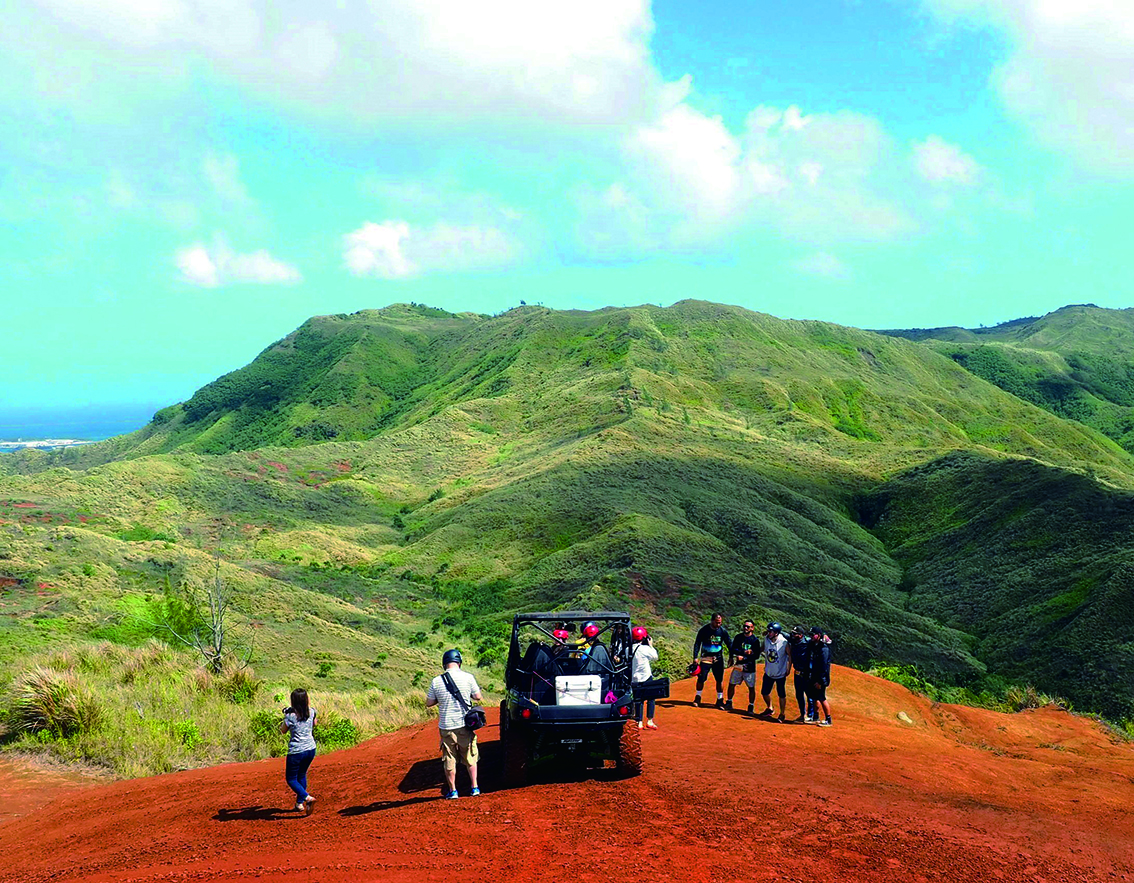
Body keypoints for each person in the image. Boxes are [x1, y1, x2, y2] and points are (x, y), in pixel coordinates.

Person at [425, 648, 484, 798]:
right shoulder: (468, 677)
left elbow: (429, 703)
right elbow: (478, 696)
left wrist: (441, 698)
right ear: (459, 662)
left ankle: (453, 791)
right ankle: (474, 788)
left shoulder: (436, 681)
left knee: (449, 759)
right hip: (465, 724)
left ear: (444, 663)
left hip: (446, 726)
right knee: (470, 756)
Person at [278, 688, 317, 815]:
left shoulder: (290, 716)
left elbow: (283, 731)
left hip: (296, 751)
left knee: (291, 779)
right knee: (302, 774)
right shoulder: (311, 712)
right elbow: (314, 724)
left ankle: (307, 798)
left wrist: (285, 715)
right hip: (310, 748)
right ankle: (299, 804)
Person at [692, 613, 731, 708]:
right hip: (706, 657)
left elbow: (729, 644)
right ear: (712, 621)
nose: (719, 624)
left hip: (718, 658)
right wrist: (695, 657)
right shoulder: (704, 630)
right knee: (701, 678)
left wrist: (731, 656)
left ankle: (720, 700)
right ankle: (698, 697)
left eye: (720, 623)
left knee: (719, 679)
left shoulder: (722, 631)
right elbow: (697, 643)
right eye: (717, 622)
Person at [758, 623, 791, 722]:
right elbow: (762, 649)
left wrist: (788, 668)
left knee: (781, 694)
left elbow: (789, 655)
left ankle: (782, 714)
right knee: (764, 692)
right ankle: (770, 708)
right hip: (769, 672)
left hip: (780, 673)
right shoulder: (766, 640)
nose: (769, 633)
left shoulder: (784, 642)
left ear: (776, 633)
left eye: (770, 631)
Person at [725, 620, 760, 714]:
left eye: (748, 627)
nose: (745, 628)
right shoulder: (738, 637)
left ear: (752, 628)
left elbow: (756, 655)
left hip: (749, 667)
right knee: (732, 683)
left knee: (751, 687)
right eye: (744, 626)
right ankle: (729, 702)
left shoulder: (755, 640)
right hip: (738, 665)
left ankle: (751, 706)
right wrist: (736, 655)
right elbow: (733, 649)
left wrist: (746, 655)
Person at [630, 625, 660, 730]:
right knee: (651, 698)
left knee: (638, 700)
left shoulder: (628, 649)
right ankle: (650, 720)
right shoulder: (645, 649)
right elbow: (655, 657)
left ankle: (639, 722)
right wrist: (651, 645)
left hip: (634, 678)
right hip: (646, 676)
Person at [805, 626, 833, 727]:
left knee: (821, 697)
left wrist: (820, 681)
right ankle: (815, 717)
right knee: (814, 697)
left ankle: (828, 719)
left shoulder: (823, 648)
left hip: (821, 678)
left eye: (813, 635)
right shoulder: (814, 645)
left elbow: (824, 666)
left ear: (819, 635)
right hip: (814, 675)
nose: (811, 637)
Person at [787, 625, 811, 722]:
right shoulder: (793, 640)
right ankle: (803, 714)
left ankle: (811, 715)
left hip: (807, 673)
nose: (792, 635)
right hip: (797, 673)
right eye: (792, 633)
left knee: (809, 694)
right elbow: (783, 634)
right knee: (799, 694)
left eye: (795, 634)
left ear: (801, 635)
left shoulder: (808, 642)